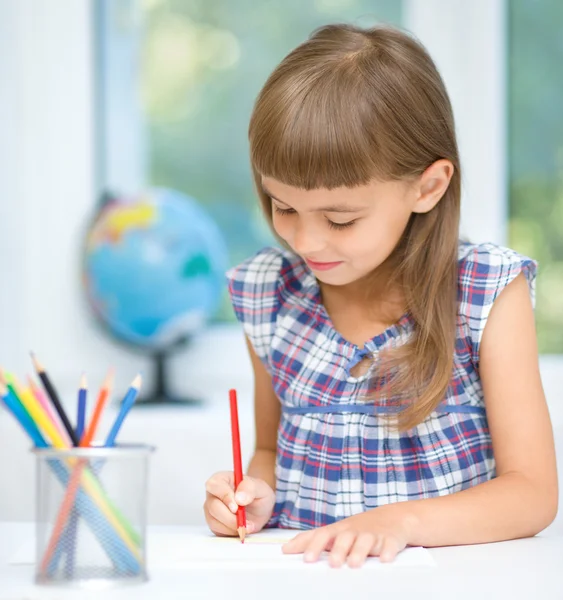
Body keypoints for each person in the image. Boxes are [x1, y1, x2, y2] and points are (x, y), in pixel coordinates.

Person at [203, 23, 558, 568]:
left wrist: (401, 521)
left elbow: (531, 494)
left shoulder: (486, 292)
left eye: (340, 219)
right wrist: (253, 497)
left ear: (428, 187)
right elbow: (270, 452)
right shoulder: (266, 293)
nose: (304, 240)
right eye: (283, 207)